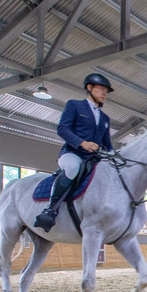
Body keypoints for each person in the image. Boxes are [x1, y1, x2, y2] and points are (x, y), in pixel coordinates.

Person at [34, 73, 114, 232]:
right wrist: (82, 143)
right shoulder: (75, 105)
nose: (104, 93)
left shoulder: (105, 118)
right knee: (72, 169)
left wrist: (114, 158)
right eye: (101, 89)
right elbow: (62, 128)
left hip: (94, 158)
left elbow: (107, 144)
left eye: (106, 91)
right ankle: (50, 210)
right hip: (73, 153)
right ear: (89, 88)